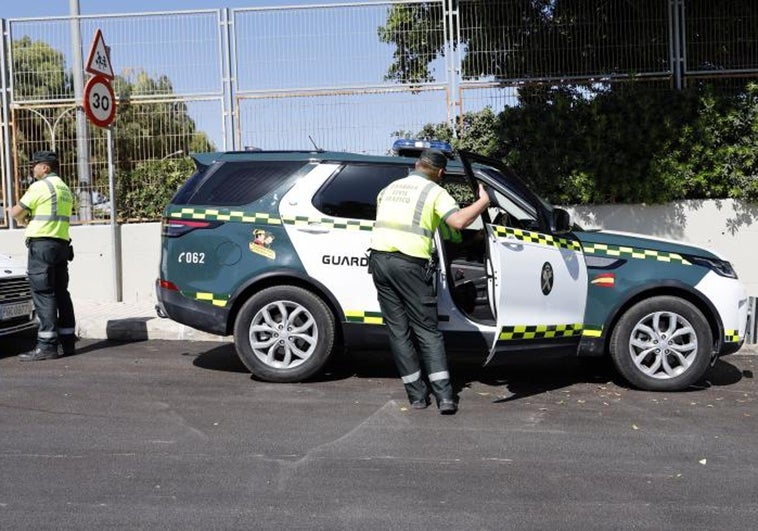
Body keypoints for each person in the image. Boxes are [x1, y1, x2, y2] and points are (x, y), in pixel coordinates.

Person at [369, 149, 490, 414]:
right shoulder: (435, 191)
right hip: (410, 265)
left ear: (416, 164)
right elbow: (457, 222)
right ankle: (445, 397)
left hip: (379, 262)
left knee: (399, 332)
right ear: (440, 173)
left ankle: (416, 397)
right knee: (427, 331)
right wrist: (483, 202)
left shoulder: (388, 189)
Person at [8, 150, 76, 361]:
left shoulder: (40, 186)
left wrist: (22, 219)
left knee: (44, 293)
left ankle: (46, 346)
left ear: (45, 167)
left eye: (35, 164)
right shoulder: (65, 188)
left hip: (42, 246)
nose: (33, 168)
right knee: (61, 293)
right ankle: (68, 341)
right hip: (61, 245)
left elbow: (16, 212)